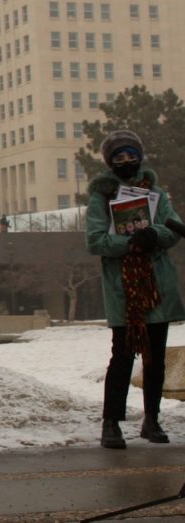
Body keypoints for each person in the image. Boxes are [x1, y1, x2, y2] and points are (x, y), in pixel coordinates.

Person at [85, 130, 185, 449]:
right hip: (124, 291)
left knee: (155, 358)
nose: (127, 161)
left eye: (131, 155)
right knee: (123, 357)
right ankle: (111, 422)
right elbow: (96, 240)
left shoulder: (157, 194)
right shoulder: (102, 197)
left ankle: (151, 419)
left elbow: (172, 229)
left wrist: (152, 234)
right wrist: (129, 242)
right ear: (110, 162)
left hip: (157, 286)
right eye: (119, 157)